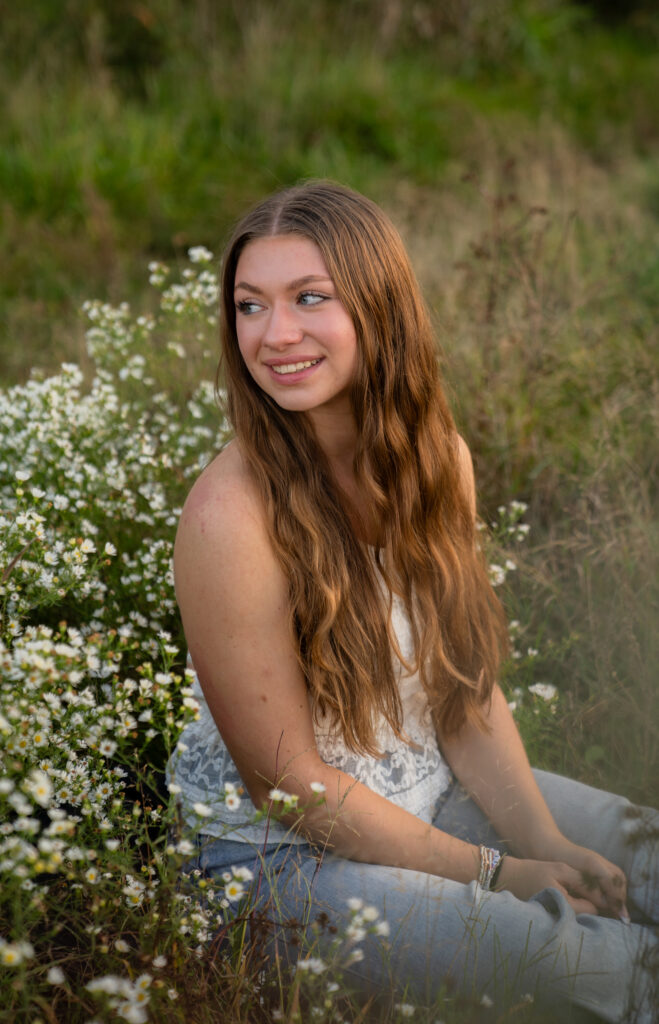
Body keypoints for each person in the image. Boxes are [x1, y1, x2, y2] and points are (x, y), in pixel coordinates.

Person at [170, 181, 658, 1021]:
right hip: (280, 859)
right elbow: (293, 788)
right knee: (576, 960)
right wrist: (503, 873)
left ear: (378, 306)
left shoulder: (439, 464)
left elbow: (459, 691)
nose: (273, 334)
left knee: (637, 851)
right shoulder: (227, 517)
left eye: (308, 299)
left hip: (422, 788)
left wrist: (542, 842)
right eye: (250, 306)